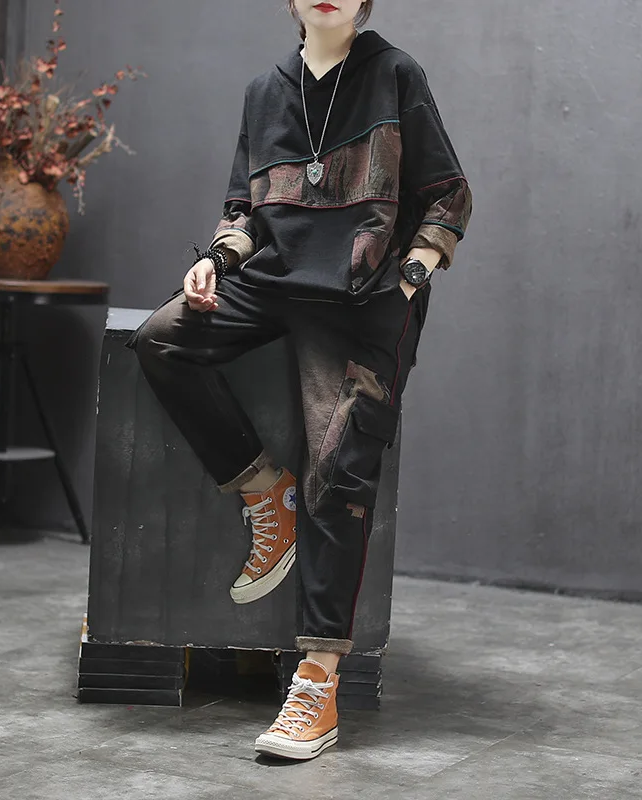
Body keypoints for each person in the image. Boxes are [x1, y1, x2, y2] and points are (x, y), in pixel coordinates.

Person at [130, 0, 472, 761]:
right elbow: (243, 211)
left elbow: (449, 194)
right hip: (274, 280)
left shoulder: (394, 74)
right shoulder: (265, 91)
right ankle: (263, 491)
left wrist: (412, 276)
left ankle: (317, 680)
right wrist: (215, 261)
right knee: (159, 340)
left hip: (362, 296)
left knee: (339, 466)